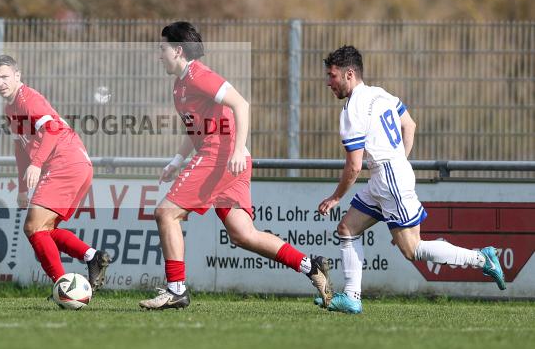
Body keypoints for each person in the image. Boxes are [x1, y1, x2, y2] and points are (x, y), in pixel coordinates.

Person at [140, 21, 332, 310]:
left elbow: (241, 104)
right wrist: (177, 161)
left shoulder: (197, 75)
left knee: (166, 213)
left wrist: (239, 148)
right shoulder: (179, 84)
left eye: (162, 48)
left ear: (178, 50)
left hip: (222, 155)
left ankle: (176, 289)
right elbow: (196, 130)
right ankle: (310, 266)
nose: (159, 54)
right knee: (243, 234)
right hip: (225, 156)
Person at [317, 45, 505, 314]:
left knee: (412, 249)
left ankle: (481, 258)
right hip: (389, 175)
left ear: (349, 74)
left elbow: (354, 166)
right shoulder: (379, 94)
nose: (328, 82)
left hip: (388, 179)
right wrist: (400, 160)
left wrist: (336, 197)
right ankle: (351, 297)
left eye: (332, 76)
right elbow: (410, 124)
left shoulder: (352, 110)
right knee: (347, 228)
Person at [0, 54, 112, 291]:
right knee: (44, 230)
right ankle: (92, 257)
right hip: (74, 165)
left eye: (4, 76)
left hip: (66, 163)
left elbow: (52, 128)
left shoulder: (28, 99)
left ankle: (63, 287)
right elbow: (20, 148)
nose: (0, 82)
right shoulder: (10, 108)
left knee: (33, 227)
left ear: (17, 76)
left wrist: (36, 163)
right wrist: (23, 188)